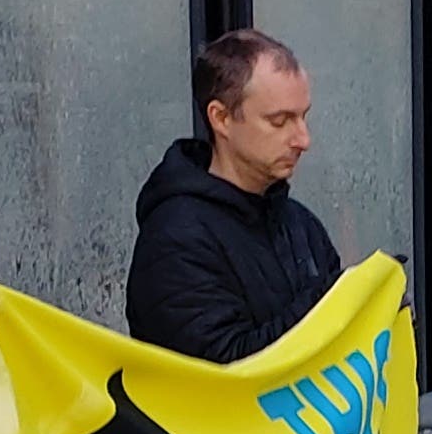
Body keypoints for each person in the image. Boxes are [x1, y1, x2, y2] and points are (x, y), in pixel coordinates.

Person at [127, 26, 342, 361]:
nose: (303, 139)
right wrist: (332, 303)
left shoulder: (302, 225)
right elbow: (223, 375)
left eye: (303, 117)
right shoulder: (175, 240)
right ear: (221, 118)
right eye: (279, 121)